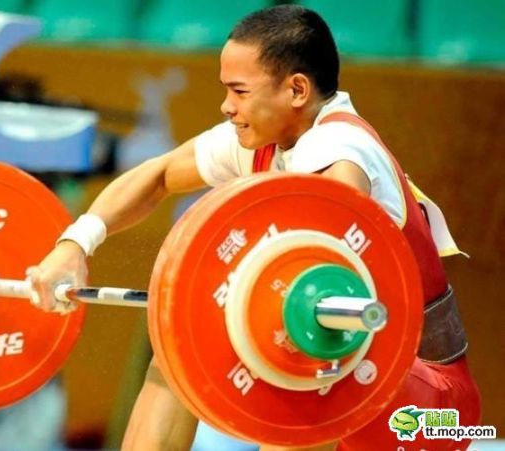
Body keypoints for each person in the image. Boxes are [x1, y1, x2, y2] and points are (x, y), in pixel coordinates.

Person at [26, 5, 481, 450]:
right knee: (182, 347)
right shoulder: (265, 138)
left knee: (305, 361)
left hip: (431, 407)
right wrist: (75, 244)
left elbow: (323, 284)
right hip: (358, 377)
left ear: (297, 90)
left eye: (239, 91)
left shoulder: (340, 151)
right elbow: (160, 175)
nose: (227, 106)